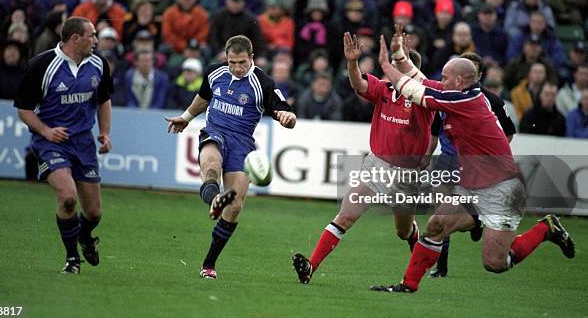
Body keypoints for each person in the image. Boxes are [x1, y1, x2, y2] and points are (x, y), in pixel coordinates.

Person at [370, 37, 575, 293]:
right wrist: (399, 54)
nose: (440, 81)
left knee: (495, 263)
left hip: (502, 189)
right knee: (436, 226)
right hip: (471, 184)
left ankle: (547, 228)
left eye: (445, 77)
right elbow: (420, 79)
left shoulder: (465, 101)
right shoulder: (460, 93)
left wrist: (384, 66)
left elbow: (415, 90)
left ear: (458, 81)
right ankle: (408, 285)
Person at [292, 28, 434, 285]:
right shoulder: (384, 88)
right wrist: (351, 61)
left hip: (406, 174)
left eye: (397, 65)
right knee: (345, 216)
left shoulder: (425, 97)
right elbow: (358, 84)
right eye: (391, 65)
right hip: (376, 164)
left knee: (403, 230)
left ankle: (418, 259)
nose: (390, 70)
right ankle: (310, 267)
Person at [165, 35, 296, 280]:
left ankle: (209, 264)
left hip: (242, 143)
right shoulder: (215, 73)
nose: (236, 68)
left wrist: (289, 118)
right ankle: (216, 199)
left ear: (252, 58)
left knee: (235, 206)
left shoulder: (263, 83)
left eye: (242, 63)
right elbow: (203, 98)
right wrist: (186, 117)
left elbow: (285, 111)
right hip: (215, 132)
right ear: (226, 58)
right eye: (232, 62)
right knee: (211, 165)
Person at [13, 16, 114, 274]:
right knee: (68, 198)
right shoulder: (42, 65)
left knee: (93, 213)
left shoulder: (99, 64)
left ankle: (84, 237)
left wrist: (104, 132)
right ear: (74, 38)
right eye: (92, 35)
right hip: (51, 143)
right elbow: (23, 109)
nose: (96, 40)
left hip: (84, 143)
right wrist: (46, 130)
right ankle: (72, 260)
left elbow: (103, 100)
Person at [428, 51, 517, 278]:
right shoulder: (446, 97)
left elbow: (507, 133)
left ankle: (475, 221)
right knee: (441, 212)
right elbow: (435, 131)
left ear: (475, 75)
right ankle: (441, 267)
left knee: (455, 215)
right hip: (447, 160)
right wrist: (426, 157)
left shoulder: (490, 101)